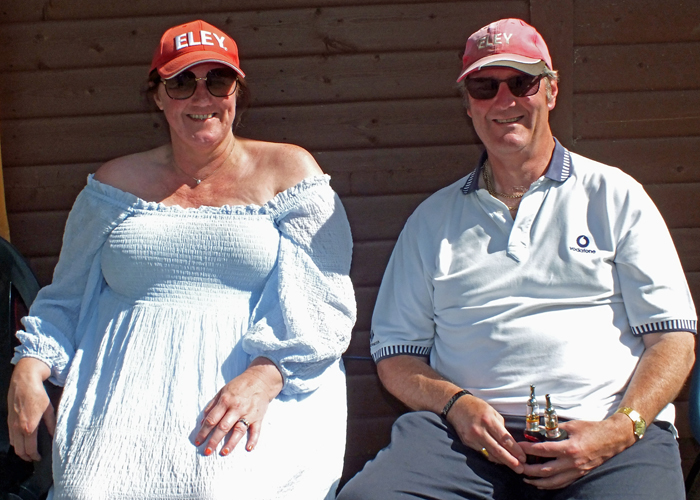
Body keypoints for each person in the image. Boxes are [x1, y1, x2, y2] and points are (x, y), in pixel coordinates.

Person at [337, 18, 696, 500]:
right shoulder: (432, 220)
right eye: (485, 86)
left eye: (522, 82)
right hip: (464, 443)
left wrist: (620, 429)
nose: (504, 101)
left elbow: (674, 340)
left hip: (608, 431)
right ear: (468, 105)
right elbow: (396, 355)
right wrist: (457, 406)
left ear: (550, 91)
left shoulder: (615, 195)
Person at [7, 19, 356, 500]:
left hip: (245, 392)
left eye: (218, 80)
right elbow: (65, 296)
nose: (201, 97)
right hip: (122, 400)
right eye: (181, 82)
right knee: (88, 491)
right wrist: (30, 366)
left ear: (237, 91)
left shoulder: (289, 173)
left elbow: (325, 303)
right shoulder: (113, 185)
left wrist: (267, 373)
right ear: (157, 95)